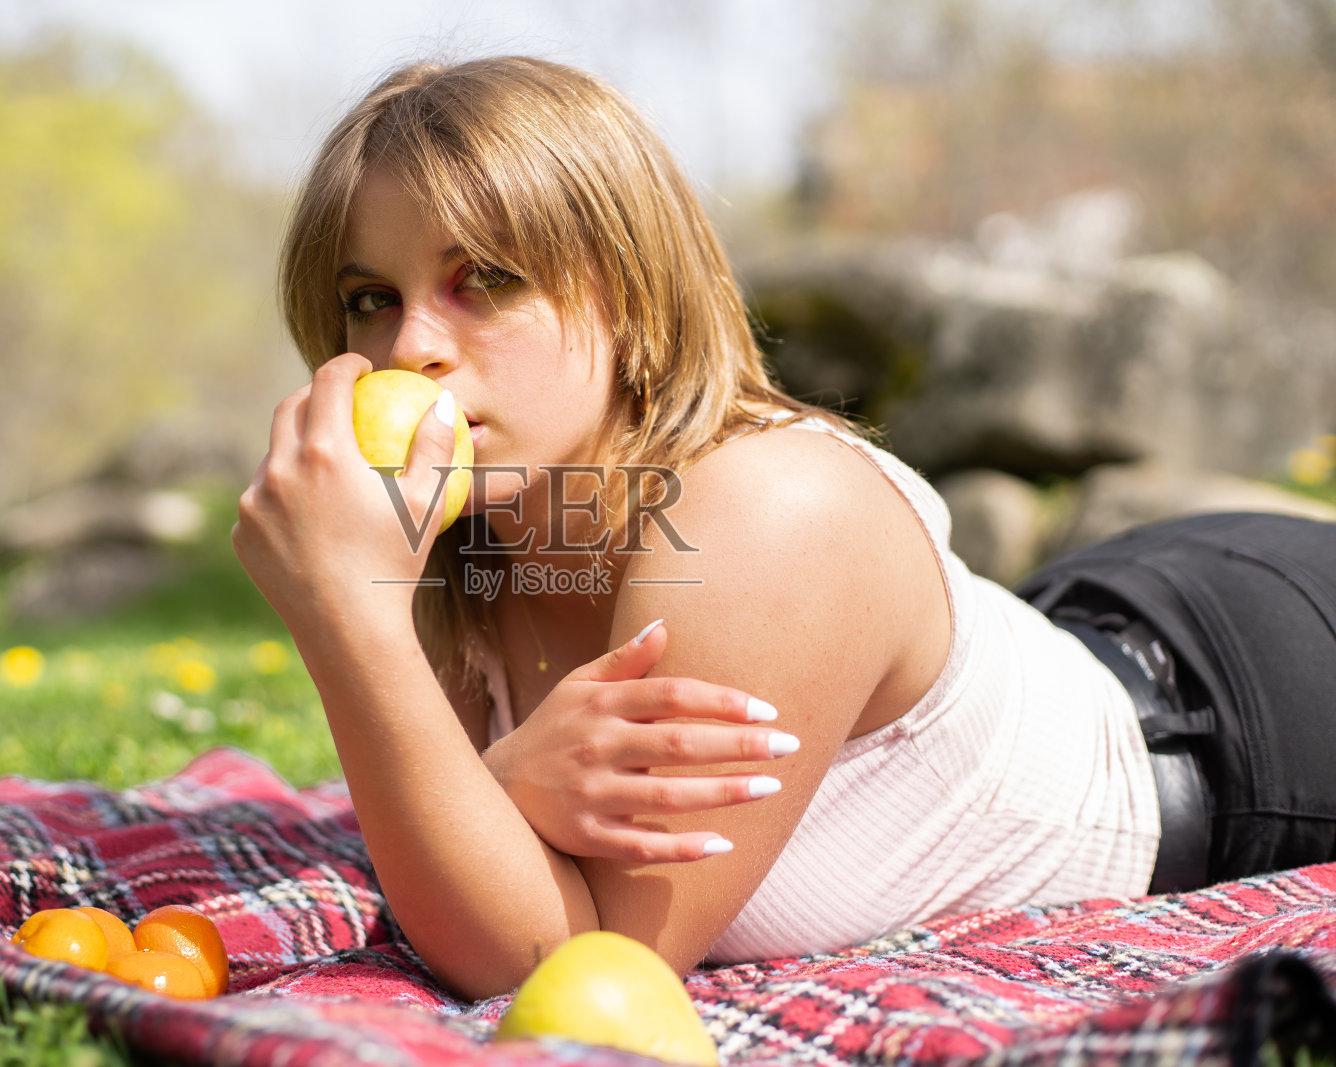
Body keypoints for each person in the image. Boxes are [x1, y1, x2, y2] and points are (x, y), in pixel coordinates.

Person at [231, 55, 1336, 1001]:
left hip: (1261, 720)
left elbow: (567, 967)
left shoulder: (763, 513)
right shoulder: (465, 545)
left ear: (628, 295)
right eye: (370, 296)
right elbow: (465, 853)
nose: (412, 344)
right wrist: (505, 772)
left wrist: (349, 613)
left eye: (487, 281)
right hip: (1093, 616)